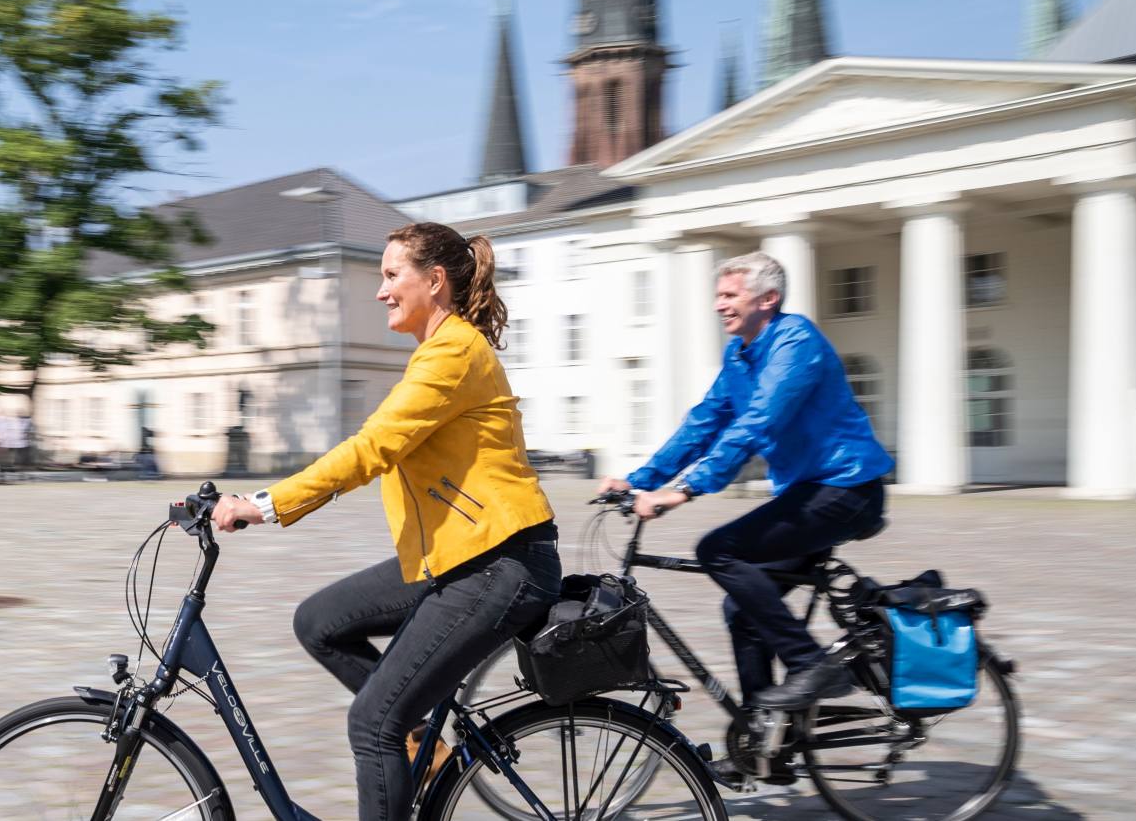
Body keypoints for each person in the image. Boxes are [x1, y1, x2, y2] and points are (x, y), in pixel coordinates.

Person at [212, 222, 561, 820]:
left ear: (435, 280)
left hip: (498, 563)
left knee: (374, 722)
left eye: (391, 275)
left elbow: (372, 448)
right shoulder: (437, 352)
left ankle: (399, 741)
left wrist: (263, 505)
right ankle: (425, 751)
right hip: (457, 556)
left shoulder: (453, 353)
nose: (381, 292)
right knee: (319, 622)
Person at [600, 251, 893, 729]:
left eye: (730, 295)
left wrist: (687, 489)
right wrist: (640, 480)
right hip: (807, 493)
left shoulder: (796, 344)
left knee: (719, 551)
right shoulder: (739, 355)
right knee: (743, 607)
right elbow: (705, 422)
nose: (718, 305)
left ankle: (813, 665)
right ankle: (765, 732)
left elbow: (759, 423)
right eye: (718, 295)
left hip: (846, 488)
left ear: (768, 298)